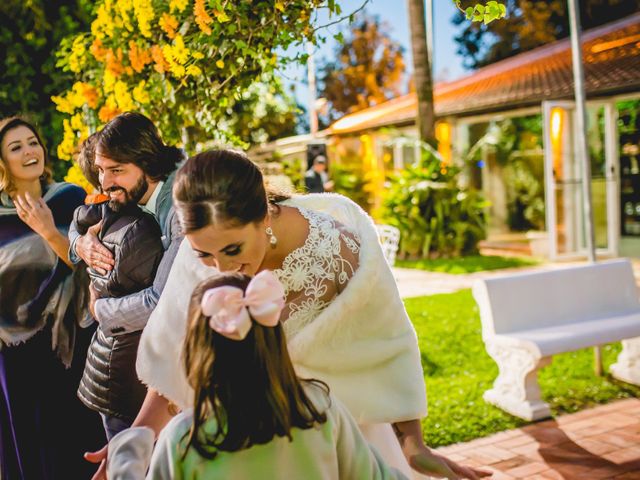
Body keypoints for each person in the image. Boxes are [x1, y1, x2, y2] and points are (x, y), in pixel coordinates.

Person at [121, 149, 490, 480]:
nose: (221, 267)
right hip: (238, 441)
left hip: (334, 432)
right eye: (205, 255)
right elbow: (174, 347)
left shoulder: (334, 247)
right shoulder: (202, 248)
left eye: (234, 248)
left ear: (263, 215)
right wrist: (138, 436)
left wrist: (413, 444)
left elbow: (384, 336)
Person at [107, 271, 409, 479]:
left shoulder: (187, 437)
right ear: (275, 340)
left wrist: (129, 451)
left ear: (196, 349)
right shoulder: (320, 409)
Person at [68, 112, 184, 447]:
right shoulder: (127, 191)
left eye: (115, 170)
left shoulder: (178, 208)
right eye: (101, 170)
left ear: (147, 165)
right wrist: (81, 242)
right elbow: (81, 218)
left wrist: (101, 308)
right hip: (131, 365)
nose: (104, 183)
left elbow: (160, 301)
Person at [0, 116, 104, 479]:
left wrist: (47, 230)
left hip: (73, 344)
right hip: (15, 356)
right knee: (34, 448)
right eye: (16, 147)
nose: (30, 152)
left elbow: (93, 264)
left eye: (32, 142)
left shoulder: (71, 199)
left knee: (80, 441)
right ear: (3, 163)